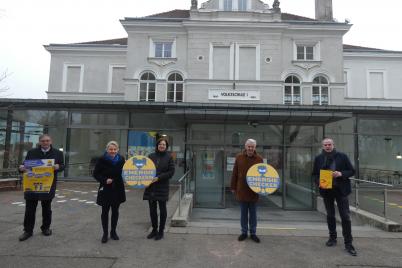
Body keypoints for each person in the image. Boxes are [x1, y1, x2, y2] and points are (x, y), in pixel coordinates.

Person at [312, 138, 357, 256]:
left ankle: (348, 243)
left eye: (329, 144)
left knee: (345, 216)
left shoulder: (342, 156)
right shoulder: (319, 158)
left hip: (341, 190)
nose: (327, 146)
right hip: (326, 190)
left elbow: (352, 171)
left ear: (333, 145)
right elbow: (315, 174)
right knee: (330, 215)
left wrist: (341, 173)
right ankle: (332, 238)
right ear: (322, 146)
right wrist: (319, 182)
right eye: (325, 145)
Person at [18, 134, 64, 241]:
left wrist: (58, 167)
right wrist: (21, 168)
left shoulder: (58, 153)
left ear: (51, 141)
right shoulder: (32, 152)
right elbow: (24, 166)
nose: (45, 143)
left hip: (48, 184)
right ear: (39, 142)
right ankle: (28, 231)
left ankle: (46, 228)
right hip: (32, 185)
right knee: (30, 209)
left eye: (47, 140)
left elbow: (62, 165)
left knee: (46, 208)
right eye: (43, 141)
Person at [230, 139, 263, 243]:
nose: (250, 148)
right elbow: (234, 173)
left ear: (255, 147)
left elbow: (263, 175)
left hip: (254, 191)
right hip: (242, 190)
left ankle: (253, 233)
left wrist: (263, 188)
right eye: (249, 146)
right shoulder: (239, 157)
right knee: (243, 214)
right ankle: (244, 232)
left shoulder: (259, 159)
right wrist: (233, 187)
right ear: (245, 147)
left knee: (253, 214)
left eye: (252, 147)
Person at [93, 141, 126, 243]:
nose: (113, 151)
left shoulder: (121, 159)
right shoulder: (101, 159)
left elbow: (126, 172)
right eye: (111, 149)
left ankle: (113, 232)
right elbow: (95, 174)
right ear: (107, 150)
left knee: (115, 211)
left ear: (117, 150)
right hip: (106, 189)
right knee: (105, 212)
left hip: (118, 189)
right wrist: (104, 180)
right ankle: (105, 233)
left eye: (115, 149)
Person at [143, 138, 175, 240]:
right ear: (157, 145)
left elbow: (171, 172)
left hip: (162, 187)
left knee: (162, 210)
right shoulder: (151, 156)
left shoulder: (169, 157)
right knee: (152, 210)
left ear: (166, 147)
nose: (162, 146)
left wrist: (159, 177)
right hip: (151, 187)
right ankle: (154, 230)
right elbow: (144, 169)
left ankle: (161, 232)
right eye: (160, 144)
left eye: (164, 145)